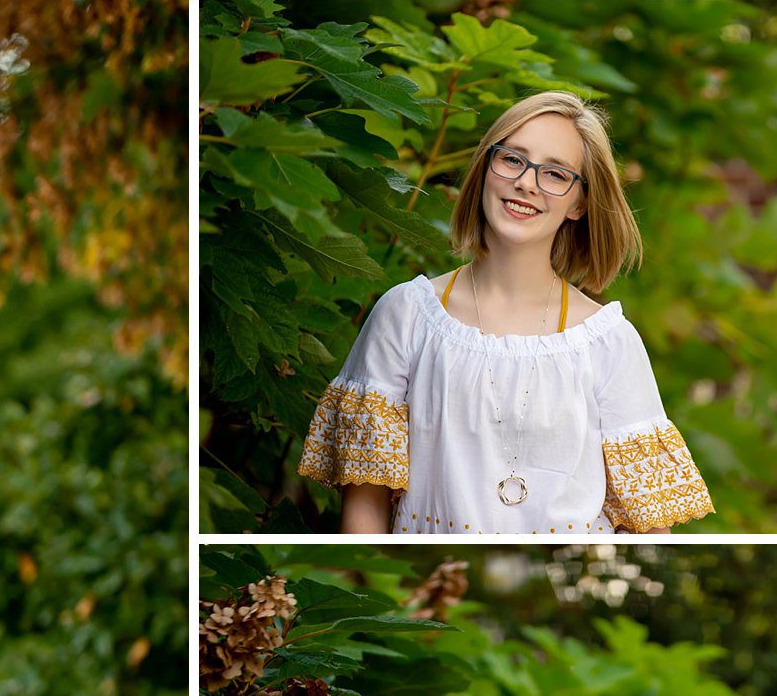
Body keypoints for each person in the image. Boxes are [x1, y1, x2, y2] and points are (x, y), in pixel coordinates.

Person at [298, 91, 714, 537]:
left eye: (555, 173)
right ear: (485, 168)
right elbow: (365, 507)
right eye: (513, 159)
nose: (527, 183)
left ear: (579, 203)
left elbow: (648, 529)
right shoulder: (407, 315)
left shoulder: (608, 341)